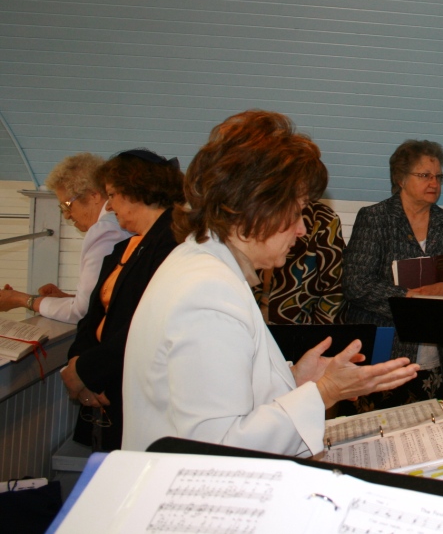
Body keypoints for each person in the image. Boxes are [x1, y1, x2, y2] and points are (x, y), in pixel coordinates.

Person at [121, 110, 419, 455]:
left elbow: (234, 394)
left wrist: (296, 379)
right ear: (256, 205)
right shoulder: (207, 291)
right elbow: (220, 447)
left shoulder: (206, 268)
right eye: (297, 210)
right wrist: (324, 392)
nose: (302, 229)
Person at [60, 149, 184, 450]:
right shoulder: (125, 246)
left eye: (113, 195)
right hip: (106, 384)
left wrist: (87, 372)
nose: (110, 205)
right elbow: (93, 314)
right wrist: (76, 361)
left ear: (135, 191)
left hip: (137, 388)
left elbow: (146, 326)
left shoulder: (172, 244)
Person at [342, 140, 443, 407]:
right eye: (424, 175)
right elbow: (355, 283)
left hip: (438, 357)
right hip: (384, 355)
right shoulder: (374, 219)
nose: (434, 183)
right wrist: (407, 299)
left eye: (438, 177)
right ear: (400, 178)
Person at [0, 153, 130, 322]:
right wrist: (65, 298)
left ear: (94, 195)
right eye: (62, 208)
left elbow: (81, 312)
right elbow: (107, 299)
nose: (67, 215)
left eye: (67, 205)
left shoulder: (104, 230)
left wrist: (21, 300)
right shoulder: (115, 223)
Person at [252, 200, 346, 324]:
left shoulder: (322, 219)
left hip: (299, 325)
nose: (301, 230)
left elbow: (335, 288)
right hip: (249, 322)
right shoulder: (251, 211)